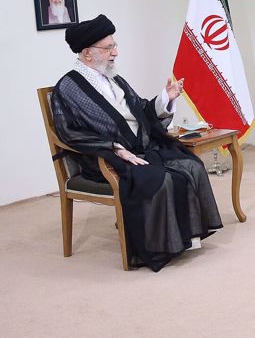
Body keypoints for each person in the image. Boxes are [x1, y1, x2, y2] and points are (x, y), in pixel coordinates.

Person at [50, 15, 222, 271]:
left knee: (191, 166)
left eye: (114, 46)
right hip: (104, 158)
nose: (115, 53)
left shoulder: (113, 78)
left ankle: (186, 239)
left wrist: (166, 99)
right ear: (87, 53)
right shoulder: (68, 87)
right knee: (160, 179)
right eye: (108, 48)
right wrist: (115, 149)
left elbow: (141, 108)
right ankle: (157, 248)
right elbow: (67, 132)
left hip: (140, 148)